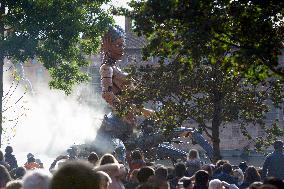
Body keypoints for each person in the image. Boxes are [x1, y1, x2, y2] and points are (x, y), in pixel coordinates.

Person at [99, 25, 153, 140]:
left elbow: (126, 99)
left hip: (127, 121)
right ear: (108, 46)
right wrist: (125, 112)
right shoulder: (107, 68)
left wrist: (141, 110)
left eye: (122, 45)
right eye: (118, 45)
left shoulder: (115, 68)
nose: (121, 48)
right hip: (117, 122)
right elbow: (107, 94)